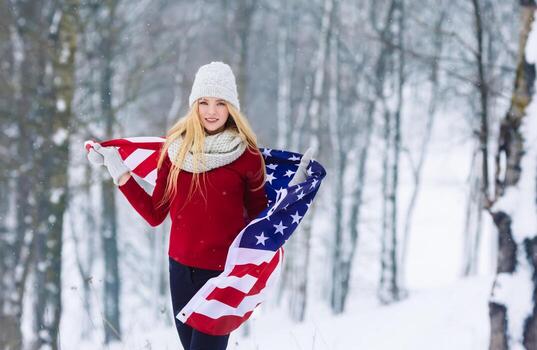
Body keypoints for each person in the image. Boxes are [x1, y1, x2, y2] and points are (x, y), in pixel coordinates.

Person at [87, 61, 311, 350]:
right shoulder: (174, 151)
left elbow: (261, 222)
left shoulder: (247, 157)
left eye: (220, 103)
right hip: (180, 271)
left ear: (232, 107)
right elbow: (156, 214)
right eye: (203, 102)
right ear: (194, 105)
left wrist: (295, 192)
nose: (211, 111)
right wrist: (119, 171)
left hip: (221, 277)